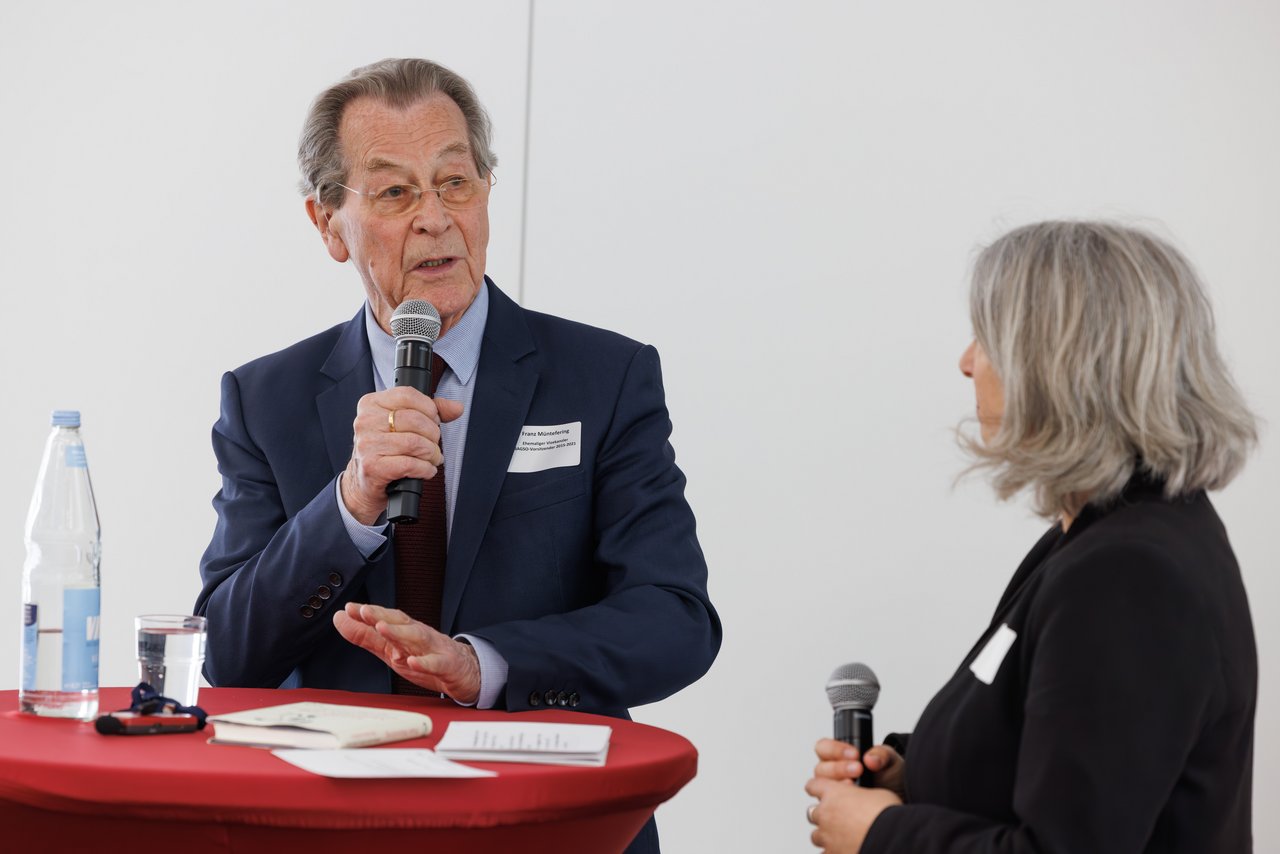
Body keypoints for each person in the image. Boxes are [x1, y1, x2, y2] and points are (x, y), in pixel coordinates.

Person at [195, 59, 720, 849]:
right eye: (396, 192)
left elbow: (675, 621)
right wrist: (350, 502)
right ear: (328, 223)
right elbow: (229, 655)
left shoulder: (604, 378)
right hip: (333, 827)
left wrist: (485, 665)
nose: (436, 218)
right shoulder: (265, 399)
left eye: (456, 182)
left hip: (550, 820)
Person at [805, 221, 1258, 853]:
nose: (966, 363)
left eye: (986, 339)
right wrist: (915, 777)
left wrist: (882, 833)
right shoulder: (1094, 538)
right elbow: (1061, 758)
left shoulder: (1128, 575)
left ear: (1058, 364)